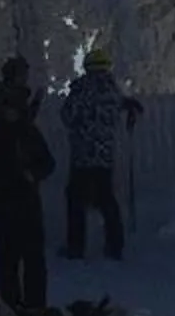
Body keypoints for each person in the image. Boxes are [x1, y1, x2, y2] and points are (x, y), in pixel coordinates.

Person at [0, 59, 56, 316]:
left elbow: (47, 163)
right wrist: (2, 181)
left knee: (30, 255)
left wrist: (32, 175)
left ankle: (33, 305)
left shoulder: (27, 135)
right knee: (10, 256)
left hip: (25, 200)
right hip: (6, 201)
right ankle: (13, 306)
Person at [59, 47, 143, 262]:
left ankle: (76, 246)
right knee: (107, 201)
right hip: (104, 156)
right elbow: (118, 106)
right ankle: (115, 246)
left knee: (76, 201)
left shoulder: (80, 89)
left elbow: (68, 116)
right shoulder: (112, 91)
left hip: (81, 156)